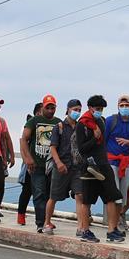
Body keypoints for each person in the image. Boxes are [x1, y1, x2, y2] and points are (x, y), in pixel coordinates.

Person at [76, 95, 124, 242]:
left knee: (113, 197)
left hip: (104, 164)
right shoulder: (82, 124)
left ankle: (112, 230)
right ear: (90, 108)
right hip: (89, 167)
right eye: (97, 109)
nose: (100, 111)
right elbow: (81, 148)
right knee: (87, 200)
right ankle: (85, 231)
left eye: (102, 109)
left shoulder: (101, 121)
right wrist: (94, 138)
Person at [20, 95, 61, 232]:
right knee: (38, 193)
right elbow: (24, 140)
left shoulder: (58, 122)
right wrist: (28, 159)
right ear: (43, 107)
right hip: (36, 164)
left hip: (52, 165)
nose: (50, 110)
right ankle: (40, 223)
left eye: (52, 107)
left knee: (50, 195)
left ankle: (46, 220)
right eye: (47, 107)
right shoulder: (34, 121)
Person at [43, 99, 83, 235]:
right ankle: (47, 222)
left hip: (76, 167)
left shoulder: (80, 127)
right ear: (68, 109)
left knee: (80, 195)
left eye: (79, 110)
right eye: (75, 109)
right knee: (53, 196)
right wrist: (59, 163)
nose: (77, 112)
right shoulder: (59, 127)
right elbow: (53, 147)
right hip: (61, 167)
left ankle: (81, 227)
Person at [104, 94, 129, 237]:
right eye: (122, 105)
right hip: (111, 162)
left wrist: (128, 142)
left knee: (122, 196)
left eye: (127, 105)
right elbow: (103, 141)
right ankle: (111, 228)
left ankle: (115, 226)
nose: (125, 107)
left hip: (126, 163)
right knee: (114, 195)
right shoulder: (110, 121)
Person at [16, 102, 40, 225]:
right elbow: (22, 145)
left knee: (42, 192)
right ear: (36, 113)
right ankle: (21, 215)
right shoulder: (28, 126)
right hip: (30, 163)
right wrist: (27, 161)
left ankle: (42, 218)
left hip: (43, 164)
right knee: (27, 190)